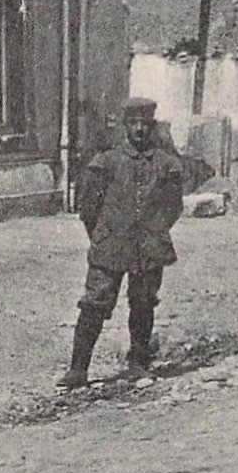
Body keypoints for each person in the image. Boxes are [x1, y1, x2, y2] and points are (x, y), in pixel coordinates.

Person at [58, 97, 186, 389]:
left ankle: (138, 363)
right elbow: (89, 208)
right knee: (94, 303)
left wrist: (152, 230)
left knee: (143, 303)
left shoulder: (167, 166)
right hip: (111, 245)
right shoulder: (106, 162)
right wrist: (104, 236)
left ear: (152, 127)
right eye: (134, 124)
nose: (140, 130)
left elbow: (172, 207)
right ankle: (78, 370)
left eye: (145, 124)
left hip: (149, 246)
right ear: (126, 127)